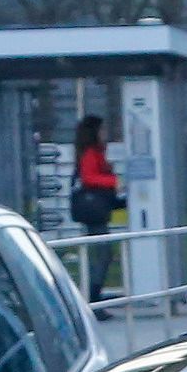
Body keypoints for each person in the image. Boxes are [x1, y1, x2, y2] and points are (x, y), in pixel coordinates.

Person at [71, 115, 123, 300]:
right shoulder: (91, 153)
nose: (105, 134)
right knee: (103, 254)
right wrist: (113, 181)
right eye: (102, 130)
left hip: (96, 210)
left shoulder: (93, 152)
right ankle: (93, 297)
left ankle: (94, 294)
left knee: (103, 253)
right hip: (95, 212)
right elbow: (89, 178)